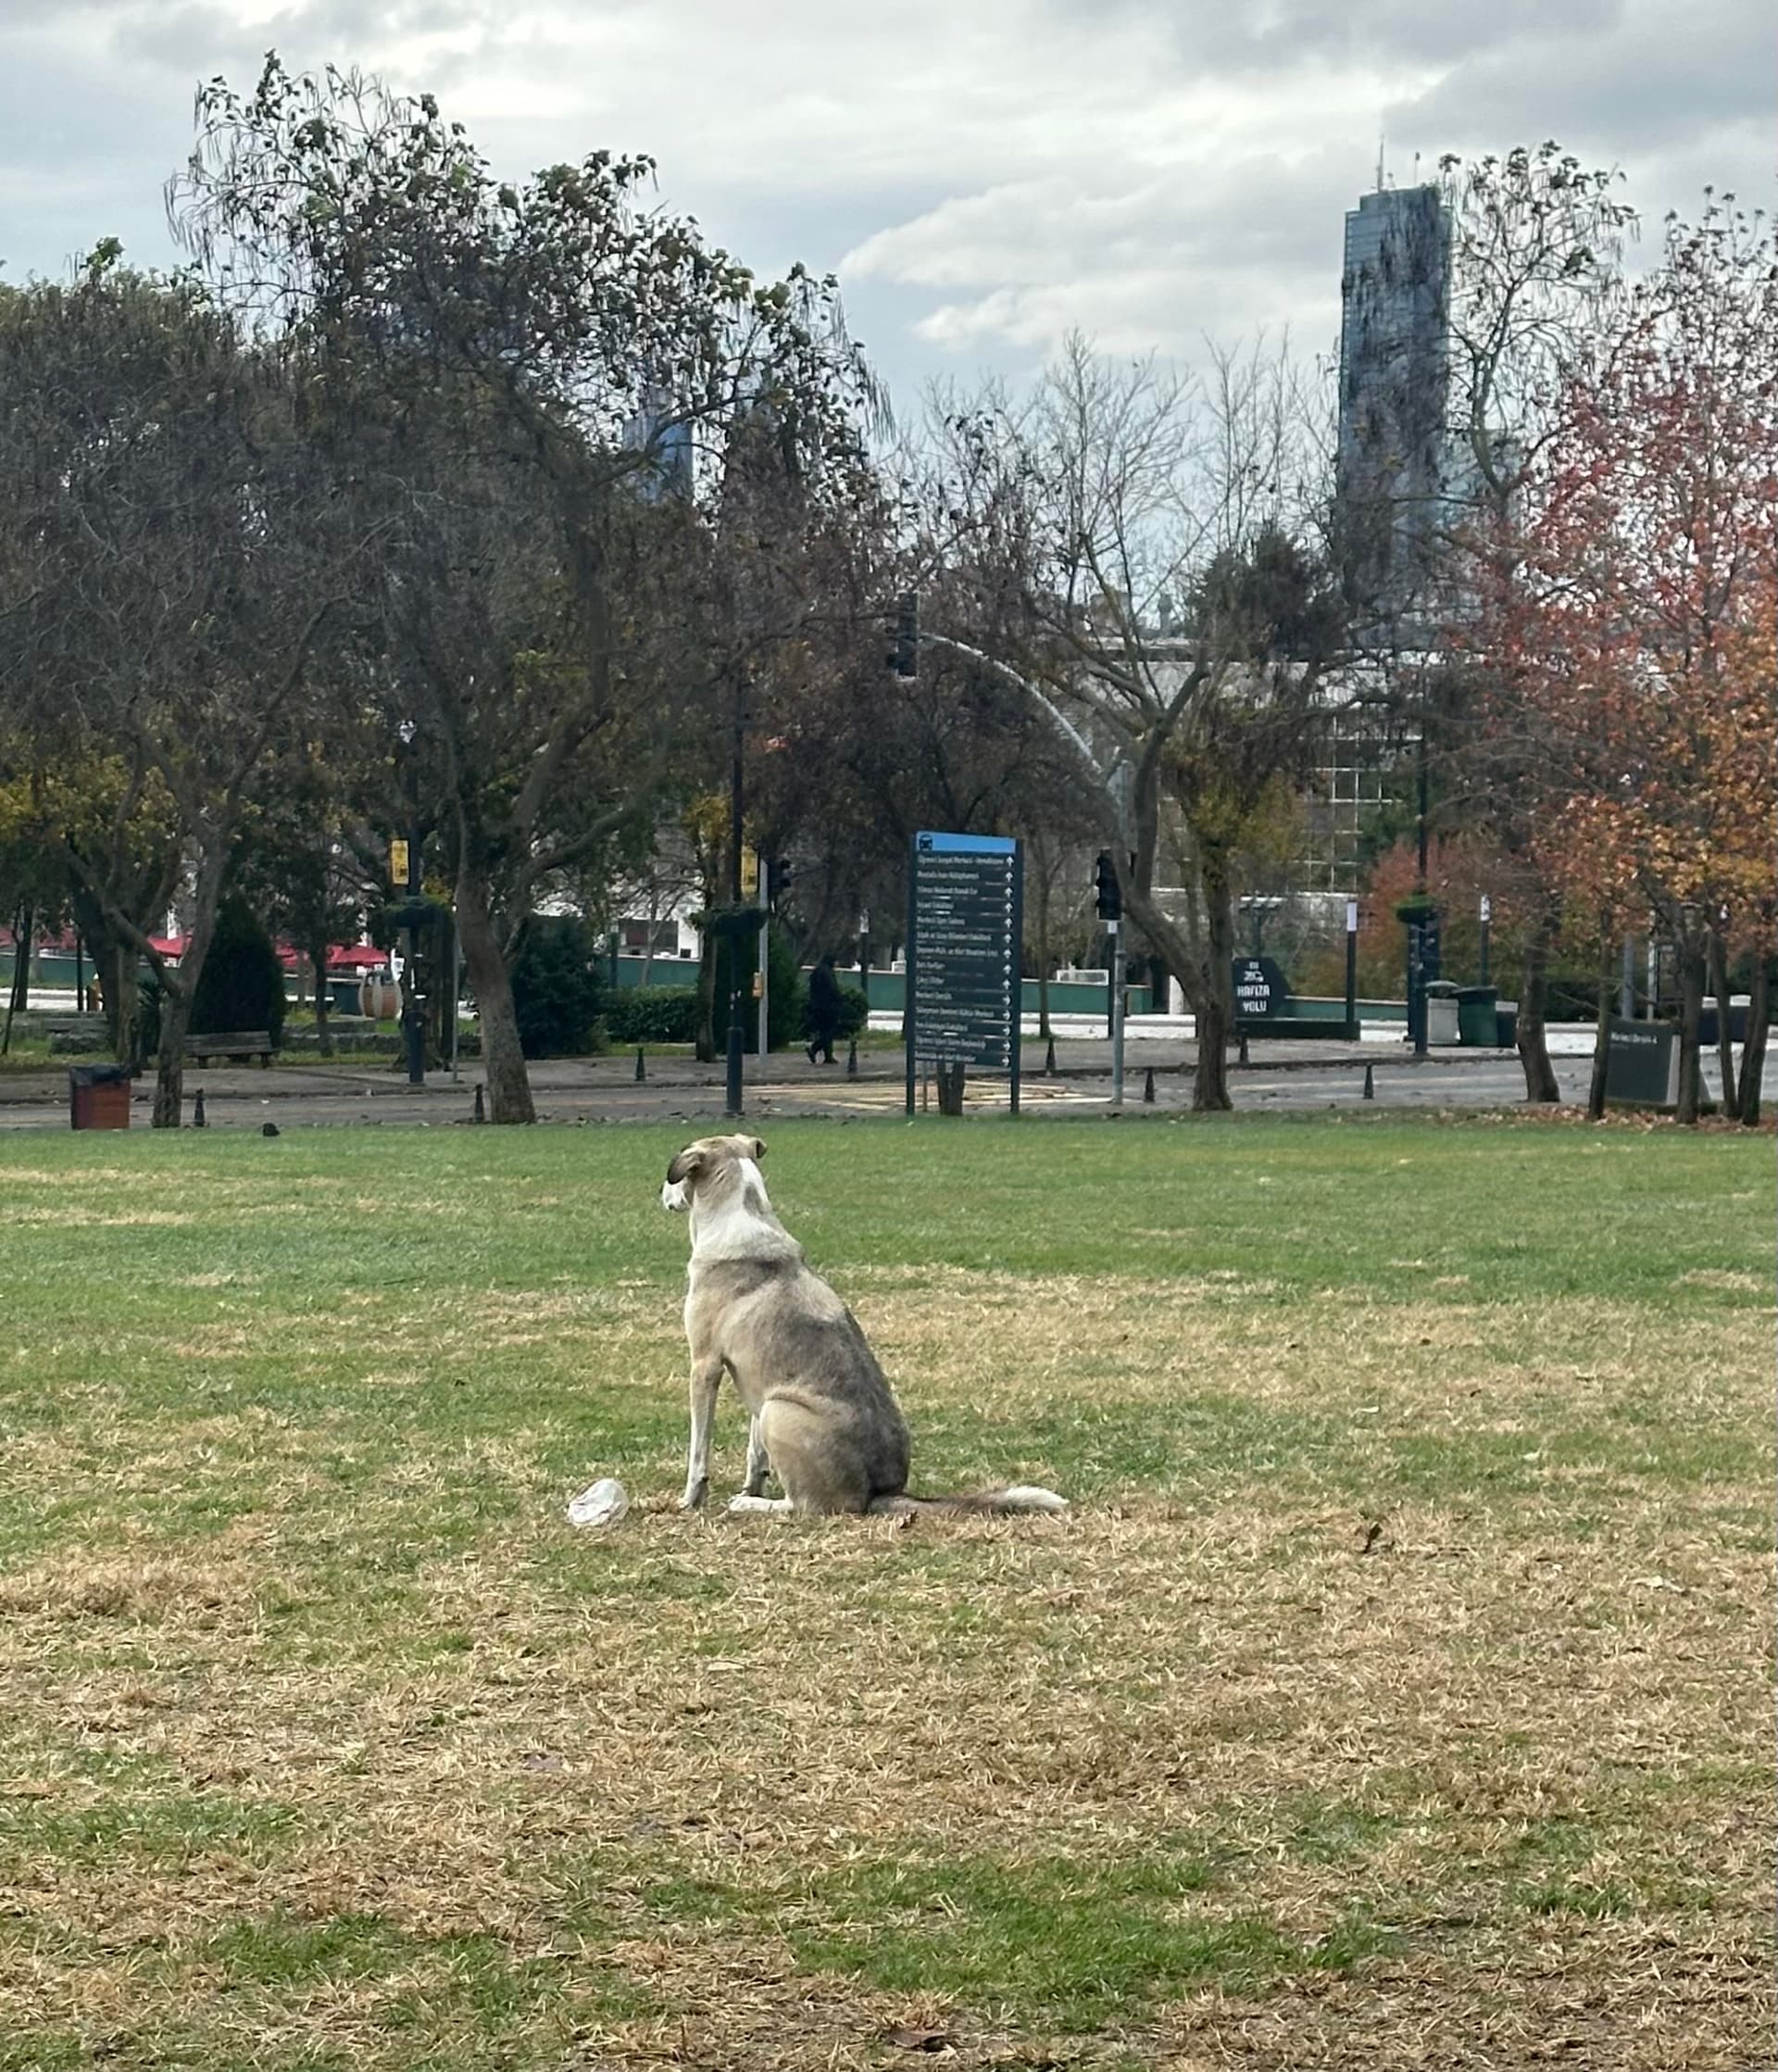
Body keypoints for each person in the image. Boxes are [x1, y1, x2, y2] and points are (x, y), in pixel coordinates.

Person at [806, 953, 842, 1065]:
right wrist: (840, 998)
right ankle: (814, 1048)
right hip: (828, 1006)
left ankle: (828, 1056)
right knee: (829, 1031)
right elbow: (832, 988)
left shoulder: (816, 971)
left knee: (824, 1031)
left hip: (816, 1006)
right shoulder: (827, 973)